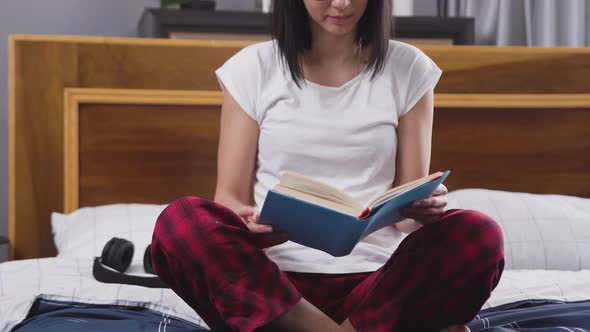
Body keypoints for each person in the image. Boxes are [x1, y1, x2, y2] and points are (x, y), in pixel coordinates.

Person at [151, 0, 505, 331]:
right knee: (179, 222)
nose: (342, 3)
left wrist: (424, 206)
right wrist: (247, 223)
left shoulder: (409, 68)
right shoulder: (252, 68)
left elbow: (408, 219)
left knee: (479, 233)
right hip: (272, 287)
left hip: (379, 286)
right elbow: (228, 199)